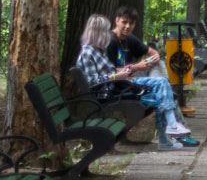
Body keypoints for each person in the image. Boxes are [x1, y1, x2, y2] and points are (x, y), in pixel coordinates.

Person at [77, 14, 199, 152]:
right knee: (162, 88)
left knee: (161, 89)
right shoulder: (88, 52)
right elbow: (92, 81)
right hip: (111, 92)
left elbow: (110, 70)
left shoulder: (97, 50)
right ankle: (169, 130)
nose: (107, 33)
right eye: (104, 30)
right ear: (96, 32)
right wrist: (117, 75)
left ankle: (167, 136)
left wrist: (127, 70)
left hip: (120, 84)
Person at [109, 4, 195, 122]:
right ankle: (168, 95)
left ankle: (166, 87)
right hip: (120, 83)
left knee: (158, 63)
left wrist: (153, 58)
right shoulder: (110, 41)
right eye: (124, 22)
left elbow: (153, 52)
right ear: (117, 20)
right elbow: (111, 73)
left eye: (131, 23)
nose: (128, 26)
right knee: (164, 92)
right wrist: (136, 67)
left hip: (132, 77)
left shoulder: (130, 39)